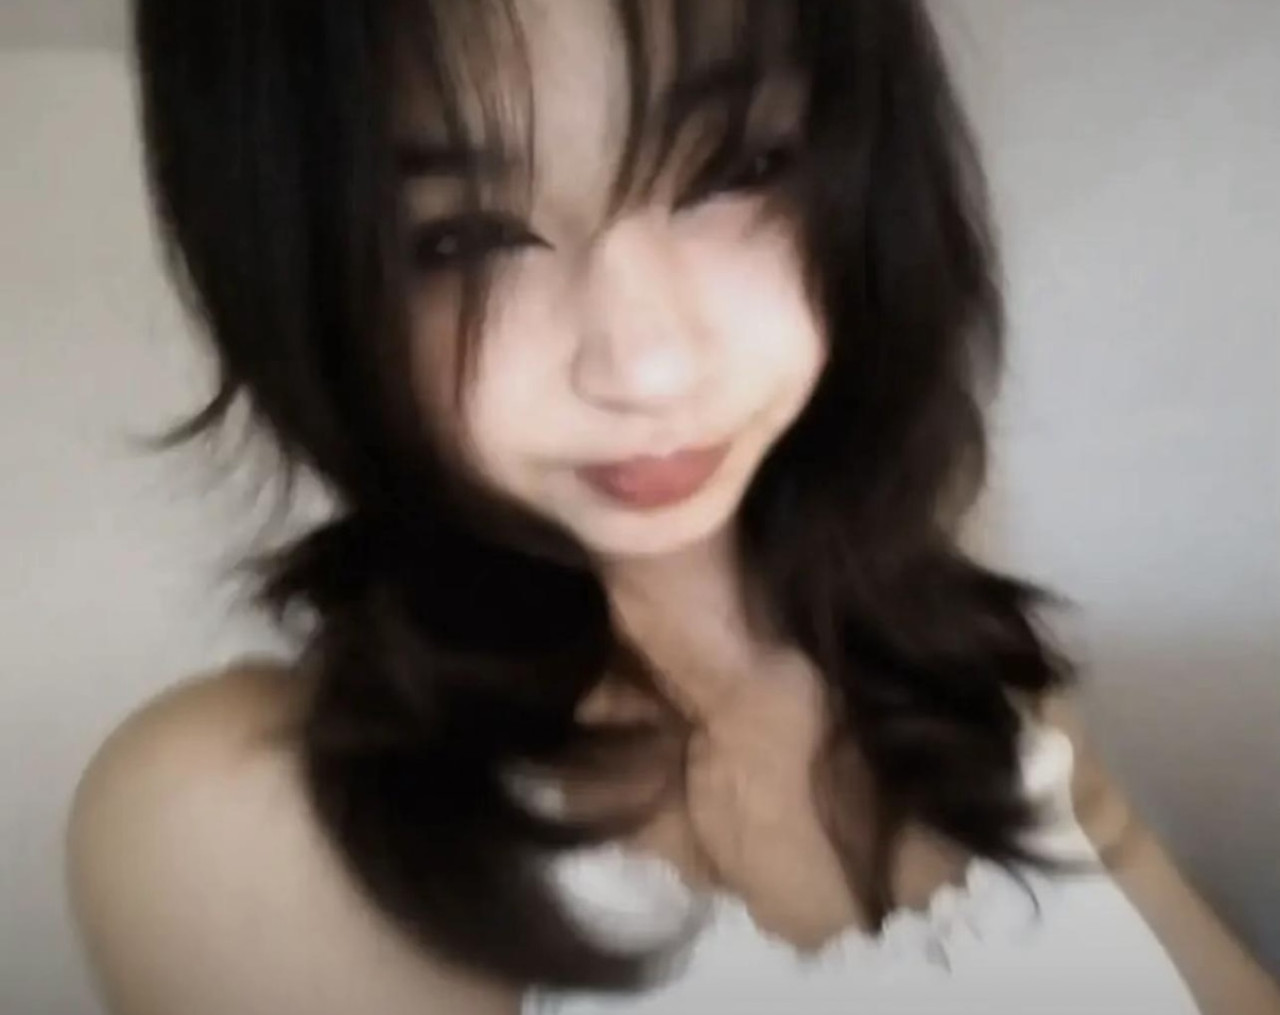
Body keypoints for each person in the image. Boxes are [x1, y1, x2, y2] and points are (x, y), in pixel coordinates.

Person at [66, 1, 1280, 1013]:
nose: (646, 367)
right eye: (459, 238)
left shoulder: (968, 668)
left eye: (735, 169)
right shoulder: (244, 825)